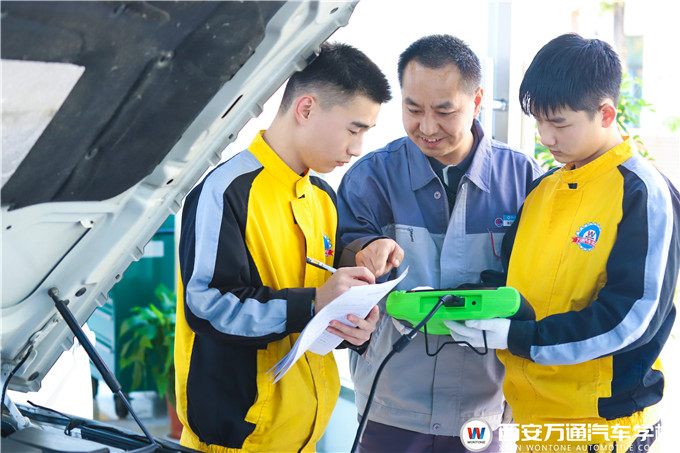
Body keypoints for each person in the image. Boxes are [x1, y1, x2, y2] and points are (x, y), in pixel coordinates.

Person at [447, 33, 680, 452]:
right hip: (532, 420)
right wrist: (466, 305)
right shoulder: (542, 190)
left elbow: (632, 319)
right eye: (539, 121)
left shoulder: (643, 193)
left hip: (604, 427)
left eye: (559, 123)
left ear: (605, 114)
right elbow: (511, 283)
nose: (546, 137)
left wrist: (520, 338)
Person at [174, 42, 392, 453]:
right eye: (354, 129)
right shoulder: (226, 191)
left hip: (304, 438)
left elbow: (311, 314)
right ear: (306, 109)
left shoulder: (323, 198)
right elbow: (207, 306)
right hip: (237, 443)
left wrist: (352, 328)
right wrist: (313, 303)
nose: (357, 148)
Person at [336, 34, 543, 452]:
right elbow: (340, 256)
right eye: (413, 109)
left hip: (482, 409)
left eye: (444, 111)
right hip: (389, 405)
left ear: (477, 100)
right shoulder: (370, 177)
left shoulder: (523, 179)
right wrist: (363, 250)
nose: (427, 127)